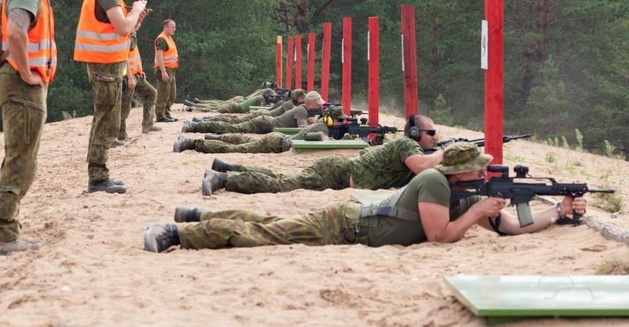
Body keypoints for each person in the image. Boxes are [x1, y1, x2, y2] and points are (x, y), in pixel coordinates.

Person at [142, 142, 588, 252]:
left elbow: (510, 226)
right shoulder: (437, 185)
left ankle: (198, 211)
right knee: (266, 234)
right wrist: (477, 213)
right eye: (480, 168)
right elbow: (439, 236)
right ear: (462, 172)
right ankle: (177, 233)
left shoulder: (465, 192)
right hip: (350, 225)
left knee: (266, 221)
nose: (485, 172)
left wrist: (558, 211)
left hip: (357, 219)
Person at [0, 0, 65, 255]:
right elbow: (17, 32)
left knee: (20, 158)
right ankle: (6, 235)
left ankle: (7, 230)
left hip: (21, 85)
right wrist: (25, 72)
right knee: (21, 162)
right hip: (22, 86)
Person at [200, 114, 443, 196]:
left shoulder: (408, 146)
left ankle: (226, 167)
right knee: (282, 185)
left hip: (338, 171)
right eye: (430, 132)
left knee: (283, 178)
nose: (434, 136)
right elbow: (421, 166)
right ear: (414, 132)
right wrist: (444, 154)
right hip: (336, 175)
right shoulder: (407, 147)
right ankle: (223, 179)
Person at [74, 0, 149, 194]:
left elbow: (121, 31)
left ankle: (99, 174)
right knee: (106, 121)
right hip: (105, 68)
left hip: (107, 67)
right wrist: (135, 10)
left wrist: (134, 20)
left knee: (106, 119)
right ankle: (97, 176)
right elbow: (122, 29)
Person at [173, 105, 354, 154]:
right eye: (340, 120)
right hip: (277, 142)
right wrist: (341, 140)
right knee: (236, 147)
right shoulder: (322, 126)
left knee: (240, 139)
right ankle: (191, 143)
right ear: (331, 120)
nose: (342, 123)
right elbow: (317, 137)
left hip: (276, 138)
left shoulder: (322, 123)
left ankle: (210, 136)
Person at [180, 90, 326, 135]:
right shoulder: (301, 111)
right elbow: (302, 131)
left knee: (233, 125)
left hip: (266, 122)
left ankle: (200, 123)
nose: (318, 105)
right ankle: (196, 126)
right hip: (265, 123)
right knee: (233, 127)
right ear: (311, 103)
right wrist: (317, 122)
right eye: (317, 103)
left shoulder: (301, 110)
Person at [117, 23, 161, 143]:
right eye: (137, 23)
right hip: (128, 76)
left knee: (151, 93)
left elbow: (134, 57)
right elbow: (124, 58)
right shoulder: (126, 37)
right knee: (125, 105)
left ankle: (147, 125)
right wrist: (130, 77)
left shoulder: (132, 37)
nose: (140, 25)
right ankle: (121, 134)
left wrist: (140, 71)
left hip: (136, 74)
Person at [190, 89, 305, 124]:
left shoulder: (287, 103)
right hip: (256, 113)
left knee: (231, 119)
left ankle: (199, 112)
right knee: (218, 110)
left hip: (258, 114)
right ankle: (196, 109)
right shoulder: (288, 104)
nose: (272, 98)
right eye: (271, 97)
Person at [154, 19, 179, 122]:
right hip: (165, 69)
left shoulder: (169, 38)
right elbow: (159, 56)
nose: (174, 29)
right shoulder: (161, 39)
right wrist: (163, 71)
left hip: (172, 70)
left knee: (172, 94)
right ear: (166, 27)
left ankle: (167, 113)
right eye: (172, 27)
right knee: (163, 93)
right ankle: (160, 115)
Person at [188, 88, 277, 114]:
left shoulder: (260, 97)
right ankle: (191, 107)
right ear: (267, 95)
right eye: (271, 97)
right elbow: (260, 109)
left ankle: (193, 106)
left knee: (214, 108)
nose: (272, 98)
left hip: (236, 106)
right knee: (213, 110)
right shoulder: (261, 99)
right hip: (236, 107)